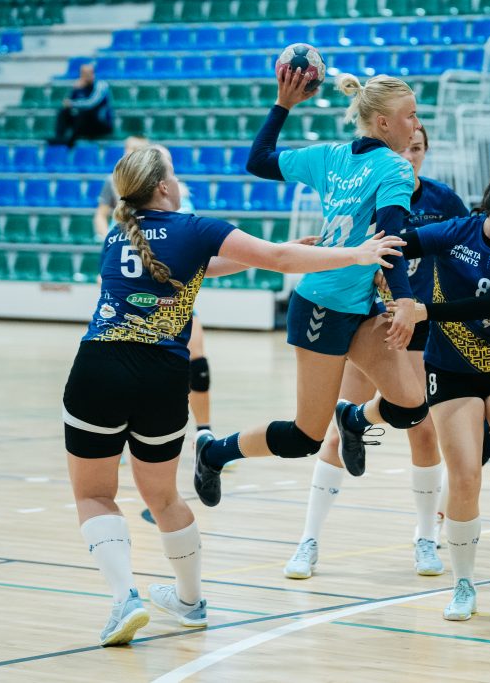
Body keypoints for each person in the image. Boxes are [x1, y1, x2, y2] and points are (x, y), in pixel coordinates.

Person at [63, 144, 405, 646]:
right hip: (163, 375)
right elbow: (278, 259)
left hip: (101, 367)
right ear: (164, 187)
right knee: (164, 497)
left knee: (94, 495)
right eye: (175, 174)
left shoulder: (118, 233)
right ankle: (191, 601)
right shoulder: (196, 227)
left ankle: (124, 599)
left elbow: (199, 266)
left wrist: (272, 253)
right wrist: (357, 253)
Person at [193, 69, 429, 507]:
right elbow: (390, 244)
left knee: (412, 407)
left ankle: (354, 418)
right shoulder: (390, 167)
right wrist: (404, 302)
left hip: (360, 303)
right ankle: (214, 453)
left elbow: (259, 159)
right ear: (383, 122)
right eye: (410, 115)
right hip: (322, 305)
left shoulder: (330, 156)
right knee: (305, 436)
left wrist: (284, 105)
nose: (416, 124)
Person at [282, 126, 470, 581]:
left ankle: (425, 536)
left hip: (418, 327)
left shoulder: (443, 200)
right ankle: (308, 540)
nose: (410, 155)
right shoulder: (369, 185)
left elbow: (466, 252)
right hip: (369, 320)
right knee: (335, 429)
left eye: (418, 149)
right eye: (405, 147)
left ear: (425, 152)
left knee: (421, 429)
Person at [388, 168, 490, 626]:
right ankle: (463, 585)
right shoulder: (457, 230)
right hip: (450, 369)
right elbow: (396, 245)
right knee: (463, 477)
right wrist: (395, 289)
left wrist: (423, 310)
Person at [94, 135, 213, 435]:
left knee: (197, 363)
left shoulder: (180, 196)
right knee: (125, 364)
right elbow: (104, 221)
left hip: (172, 294)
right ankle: (119, 430)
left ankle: (204, 432)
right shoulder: (122, 201)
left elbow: (194, 247)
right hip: (132, 293)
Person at [49, 62, 114, 148]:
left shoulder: (101, 85)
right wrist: (74, 90)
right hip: (84, 124)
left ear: (93, 73)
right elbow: (67, 103)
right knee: (64, 112)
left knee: (84, 113)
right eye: (83, 73)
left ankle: (70, 141)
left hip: (100, 124)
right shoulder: (78, 86)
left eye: (88, 73)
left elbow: (91, 103)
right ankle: (59, 138)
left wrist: (72, 104)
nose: (85, 76)